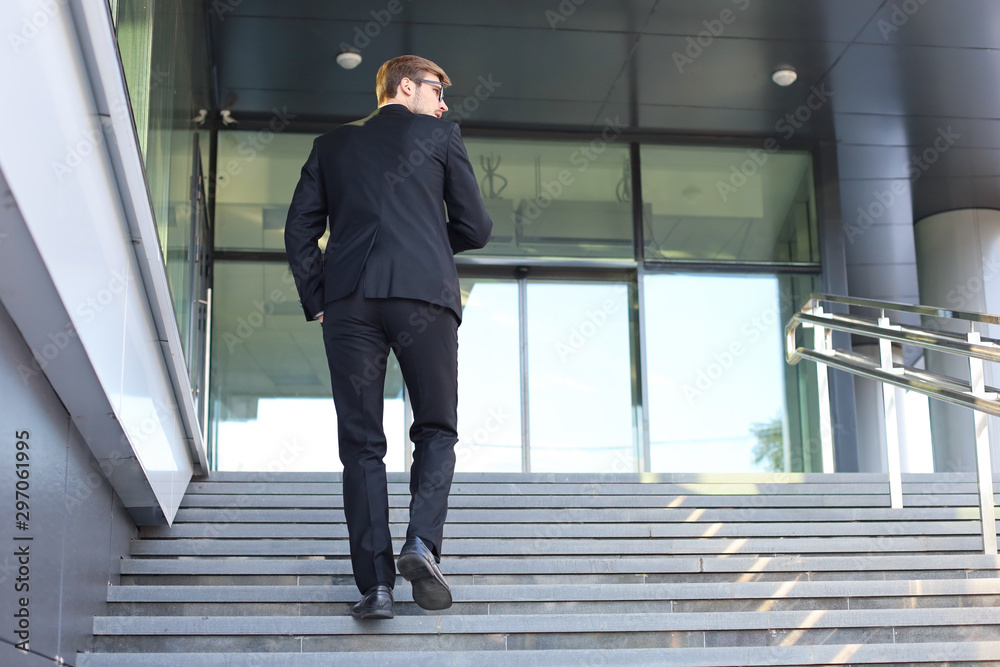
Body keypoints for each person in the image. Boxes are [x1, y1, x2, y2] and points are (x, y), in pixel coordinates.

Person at [284, 55, 492, 620]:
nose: (444, 104)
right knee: (436, 427)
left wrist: (319, 297)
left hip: (349, 302)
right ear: (406, 86)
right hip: (423, 296)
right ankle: (422, 544)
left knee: (361, 444)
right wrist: (425, 234)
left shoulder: (331, 146)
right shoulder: (442, 136)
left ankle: (375, 587)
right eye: (437, 91)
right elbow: (476, 227)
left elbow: (300, 227)